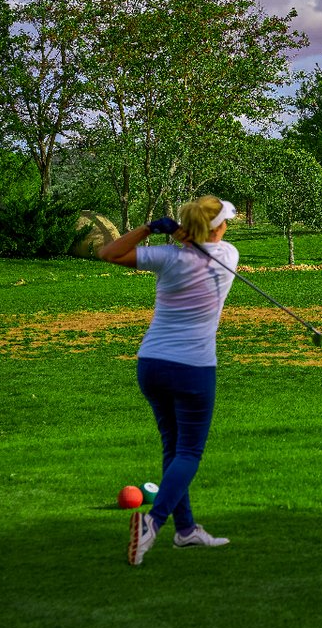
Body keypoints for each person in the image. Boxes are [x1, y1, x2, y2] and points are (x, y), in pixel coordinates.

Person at [99, 195, 239, 566]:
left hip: (152, 365)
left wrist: (148, 229)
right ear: (218, 227)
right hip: (193, 368)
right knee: (189, 453)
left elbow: (108, 253)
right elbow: (199, 245)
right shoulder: (229, 256)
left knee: (172, 449)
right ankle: (153, 523)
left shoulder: (166, 257)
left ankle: (186, 530)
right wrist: (180, 235)